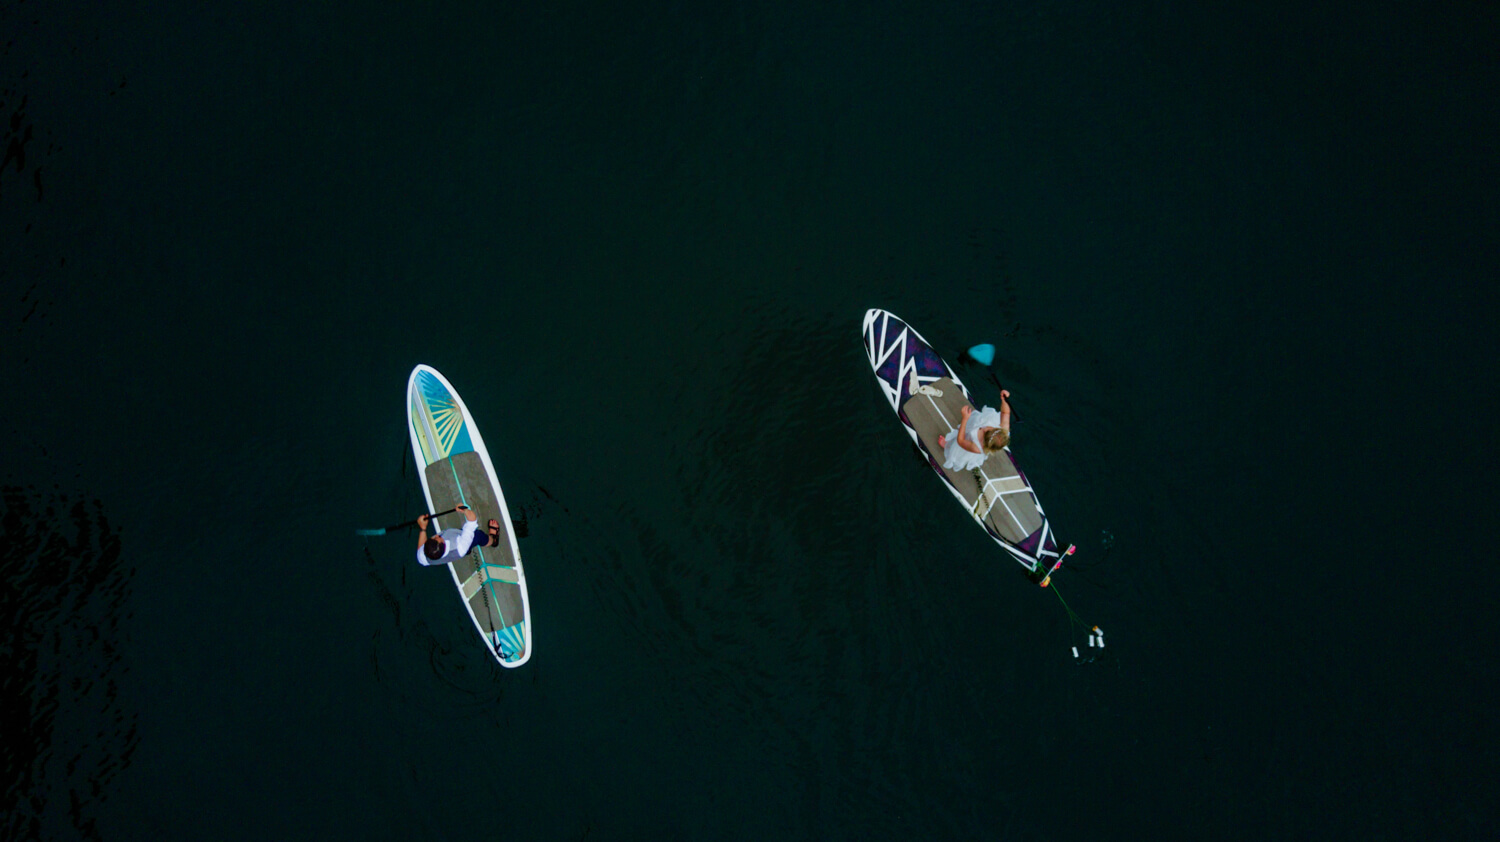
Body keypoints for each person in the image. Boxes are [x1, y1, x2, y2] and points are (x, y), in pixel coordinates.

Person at [937, 389, 1012, 471]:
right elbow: (1005, 413)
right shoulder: (1004, 430)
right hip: (975, 427)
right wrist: (1004, 400)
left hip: (966, 440)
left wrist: (965, 419)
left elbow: (960, 441)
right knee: (974, 422)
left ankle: (947, 445)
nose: (985, 427)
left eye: (985, 431)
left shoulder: (976, 448)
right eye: (992, 428)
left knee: (956, 447)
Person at [415, 505, 502, 566]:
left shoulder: (424, 556)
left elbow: (420, 550)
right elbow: (472, 520)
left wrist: (423, 527)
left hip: (458, 538)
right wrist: (464, 509)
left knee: (464, 537)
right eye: (438, 538)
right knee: (478, 535)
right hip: (461, 542)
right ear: (443, 544)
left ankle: (469, 550)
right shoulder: (460, 547)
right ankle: (493, 540)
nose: (436, 536)